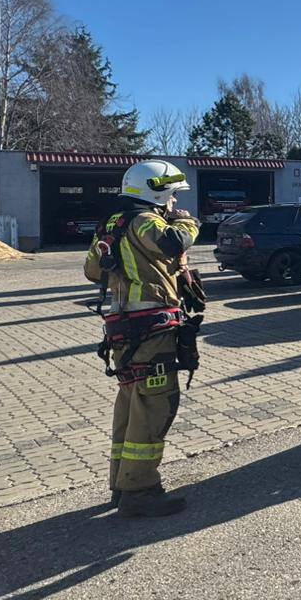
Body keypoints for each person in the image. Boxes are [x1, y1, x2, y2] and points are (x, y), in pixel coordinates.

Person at [84, 160, 203, 519]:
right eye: (172, 196)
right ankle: (140, 490)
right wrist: (188, 222)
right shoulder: (145, 221)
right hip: (152, 330)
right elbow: (172, 242)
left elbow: (92, 270)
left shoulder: (111, 224)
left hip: (122, 330)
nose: (174, 202)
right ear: (157, 192)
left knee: (130, 402)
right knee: (153, 406)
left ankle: (122, 484)